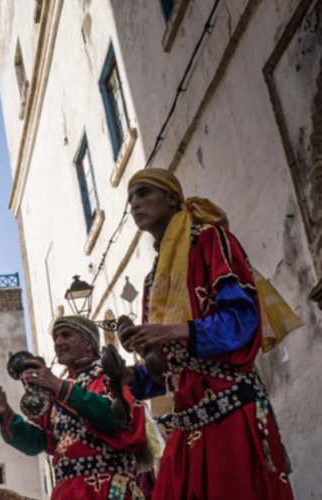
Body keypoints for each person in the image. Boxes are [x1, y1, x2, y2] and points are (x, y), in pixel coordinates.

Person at [118, 169, 298, 499]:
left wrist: (171, 330)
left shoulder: (210, 241)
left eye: (144, 193)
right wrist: (134, 377)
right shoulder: (150, 282)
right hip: (185, 428)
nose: (134, 204)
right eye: (130, 198)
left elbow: (243, 323)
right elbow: (171, 369)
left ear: (173, 198)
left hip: (231, 415)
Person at [0, 317, 149, 500]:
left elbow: (113, 417)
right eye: (55, 337)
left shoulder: (108, 376)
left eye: (66, 335)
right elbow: (37, 443)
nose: (58, 343)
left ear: (89, 343)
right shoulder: (58, 389)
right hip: (66, 493)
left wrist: (58, 386)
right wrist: (5, 415)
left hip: (106, 490)